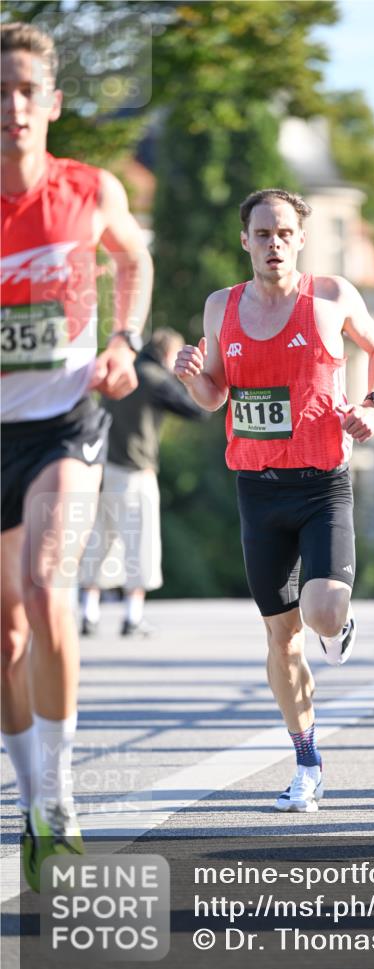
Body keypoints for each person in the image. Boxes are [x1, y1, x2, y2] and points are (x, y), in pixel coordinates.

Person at [174, 188, 374, 812]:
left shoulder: (331, 297)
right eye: (263, 234)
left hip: (322, 484)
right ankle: (307, 761)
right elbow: (215, 396)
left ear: (301, 240)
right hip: (257, 489)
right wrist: (192, 377)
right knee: (282, 640)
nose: (274, 244)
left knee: (321, 613)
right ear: (245, 240)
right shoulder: (221, 306)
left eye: (285, 234)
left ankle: (339, 623)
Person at [1, 23, 153, 888]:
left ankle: (59, 799)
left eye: (27, 90)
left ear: (52, 102)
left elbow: (134, 260)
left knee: (45, 586)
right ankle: (31, 799)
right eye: (0, 92)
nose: (13, 107)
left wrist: (124, 341)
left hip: (65, 423)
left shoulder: (90, 190)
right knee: (5, 633)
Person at [79, 328, 207, 636]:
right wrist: (189, 379)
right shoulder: (153, 377)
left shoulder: (120, 371)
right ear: (168, 354)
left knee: (99, 542)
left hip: (102, 468)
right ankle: (132, 616)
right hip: (135, 471)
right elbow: (198, 411)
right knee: (141, 545)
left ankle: (88, 613)